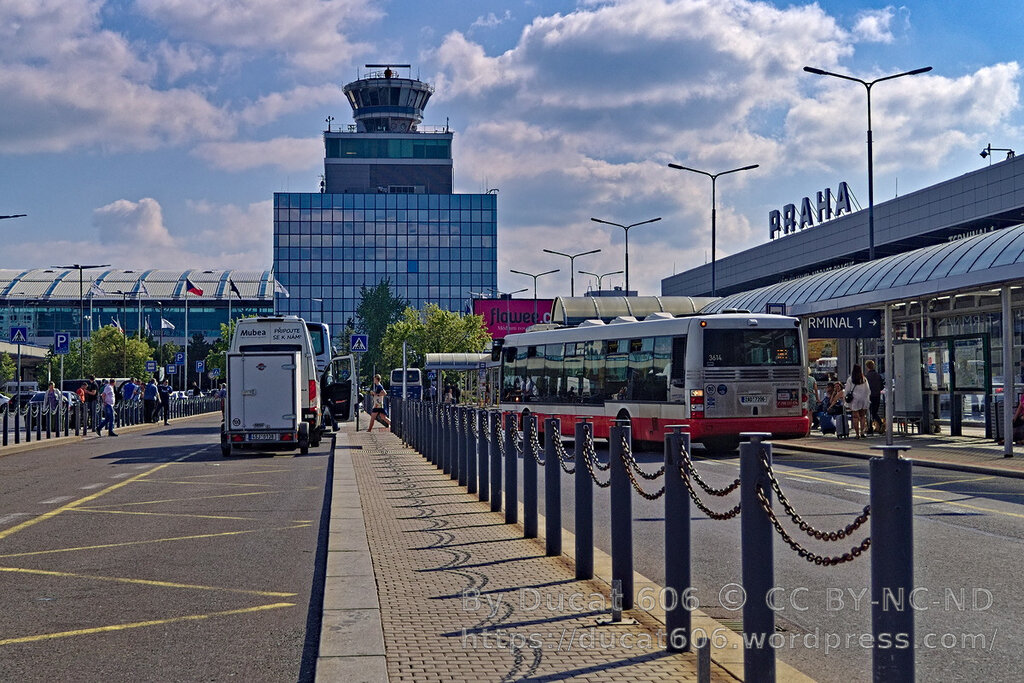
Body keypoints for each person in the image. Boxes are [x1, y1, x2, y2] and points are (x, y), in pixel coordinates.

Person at [844, 364, 870, 438]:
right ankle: (862, 432)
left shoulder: (850, 379)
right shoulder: (864, 379)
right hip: (863, 399)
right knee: (862, 416)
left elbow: (847, 390)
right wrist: (866, 399)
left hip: (854, 400)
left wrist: (845, 399)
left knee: (855, 417)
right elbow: (867, 390)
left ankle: (857, 434)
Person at [864, 360, 884, 435]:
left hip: (869, 396)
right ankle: (879, 424)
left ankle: (871, 428)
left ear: (867, 367)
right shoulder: (878, 376)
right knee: (874, 412)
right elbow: (881, 387)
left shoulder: (866, 377)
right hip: (877, 396)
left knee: (869, 413)